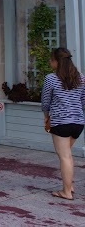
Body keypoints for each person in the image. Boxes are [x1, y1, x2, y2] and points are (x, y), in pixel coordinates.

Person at [41, 47, 85, 201]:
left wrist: (46, 116)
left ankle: (66, 192)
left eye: (51, 59)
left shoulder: (51, 78)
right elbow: (83, 101)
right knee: (68, 155)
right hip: (78, 122)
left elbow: (46, 101)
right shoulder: (81, 78)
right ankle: (70, 186)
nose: (49, 62)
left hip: (60, 122)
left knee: (64, 156)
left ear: (57, 61)